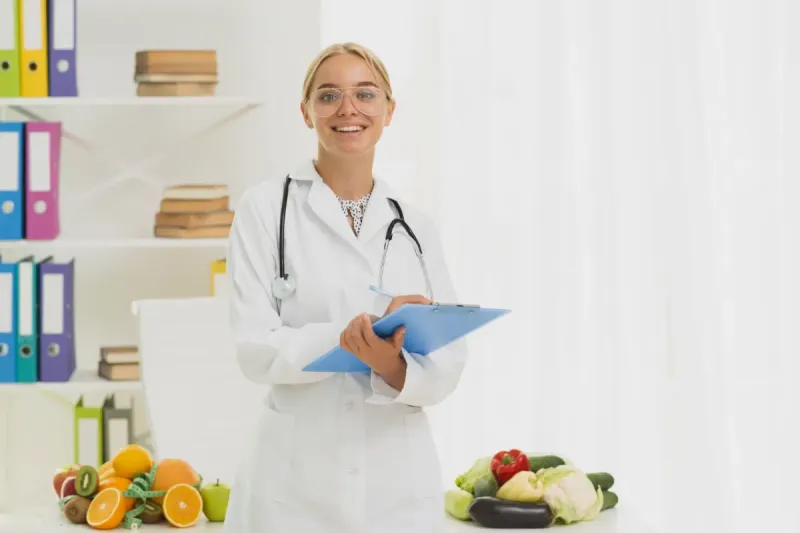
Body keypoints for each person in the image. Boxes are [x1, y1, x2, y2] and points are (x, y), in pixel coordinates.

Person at [223, 42, 469, 533]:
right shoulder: (264, 209)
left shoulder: (415, 225)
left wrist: (391, 365)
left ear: (389, 110)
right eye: (329, 95)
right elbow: (254, 348)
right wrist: (354, 339)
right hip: (292, 488)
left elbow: (447, 363)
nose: (348, 109)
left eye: (366, 94)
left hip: (396, 486)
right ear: (306, 111)